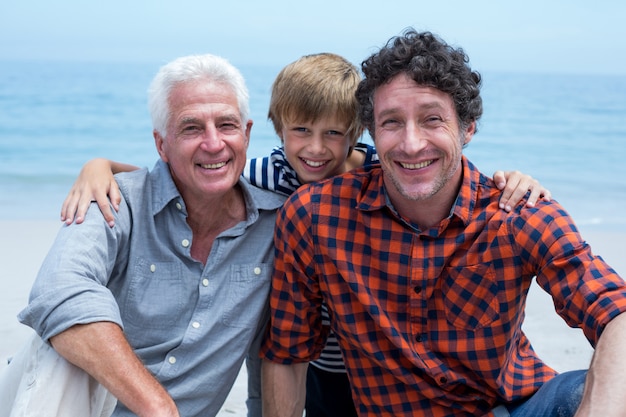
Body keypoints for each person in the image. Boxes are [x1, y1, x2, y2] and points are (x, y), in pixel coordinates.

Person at [58, 52, 551, 417]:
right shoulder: (264, 177)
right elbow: (193, 174)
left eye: (334, 134)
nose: (316, 150)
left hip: (379, 355)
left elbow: (438, 173)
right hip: (312, 357)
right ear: (273, 129)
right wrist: (99, 166)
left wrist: (513, 180)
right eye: (300, 131)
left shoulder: (382, 171)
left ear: (359, 132)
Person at [259, 29, 626, 417]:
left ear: (467, 128)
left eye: (432, 119)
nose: (412, 143)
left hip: (517, 408)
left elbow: (615, 312)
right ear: (371, 133)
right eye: (392, 122)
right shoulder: (316, 216)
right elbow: (288, 352)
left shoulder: (518, 213)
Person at [0, 54, 285, 417]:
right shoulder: (114, 200)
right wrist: (155, 406)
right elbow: (58, 288)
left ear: (246, 134)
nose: (213, 144)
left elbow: (273, 351)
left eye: (226, 125)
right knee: (64, 339)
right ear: (161, 144)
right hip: (60, 404)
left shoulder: (276, 226)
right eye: (191, 128)